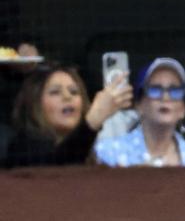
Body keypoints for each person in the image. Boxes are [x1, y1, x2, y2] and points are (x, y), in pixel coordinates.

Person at [3, 63, 132, 168]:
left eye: (74, 92)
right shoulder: (22, 148)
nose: (67, 97)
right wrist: (93, 120)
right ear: (34, 102)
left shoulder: (94, 152)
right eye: (55, 92)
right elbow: (56, 167)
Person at [94, 57, 185, 167]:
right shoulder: (108, 152)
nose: (165, 97)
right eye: (155, 89)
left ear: (183, 110)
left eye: (175, 90)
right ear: (139, 105)